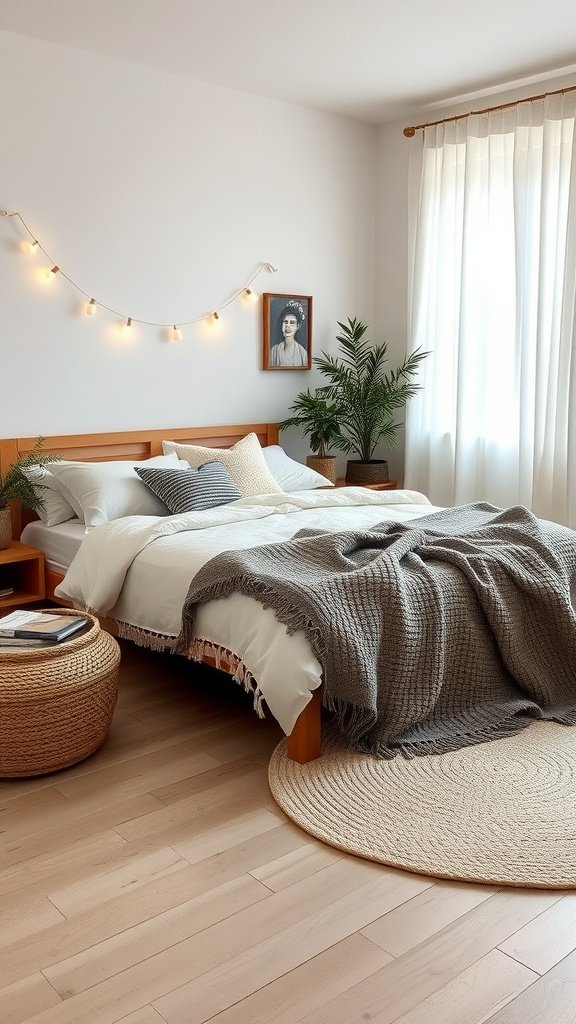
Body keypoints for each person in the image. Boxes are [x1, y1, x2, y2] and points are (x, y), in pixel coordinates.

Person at [270, 300, 308, 366]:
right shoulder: (274, 351)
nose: (288, 326)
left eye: (292, 323)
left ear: (298, 326)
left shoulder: (303, 354)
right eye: (285, 322)